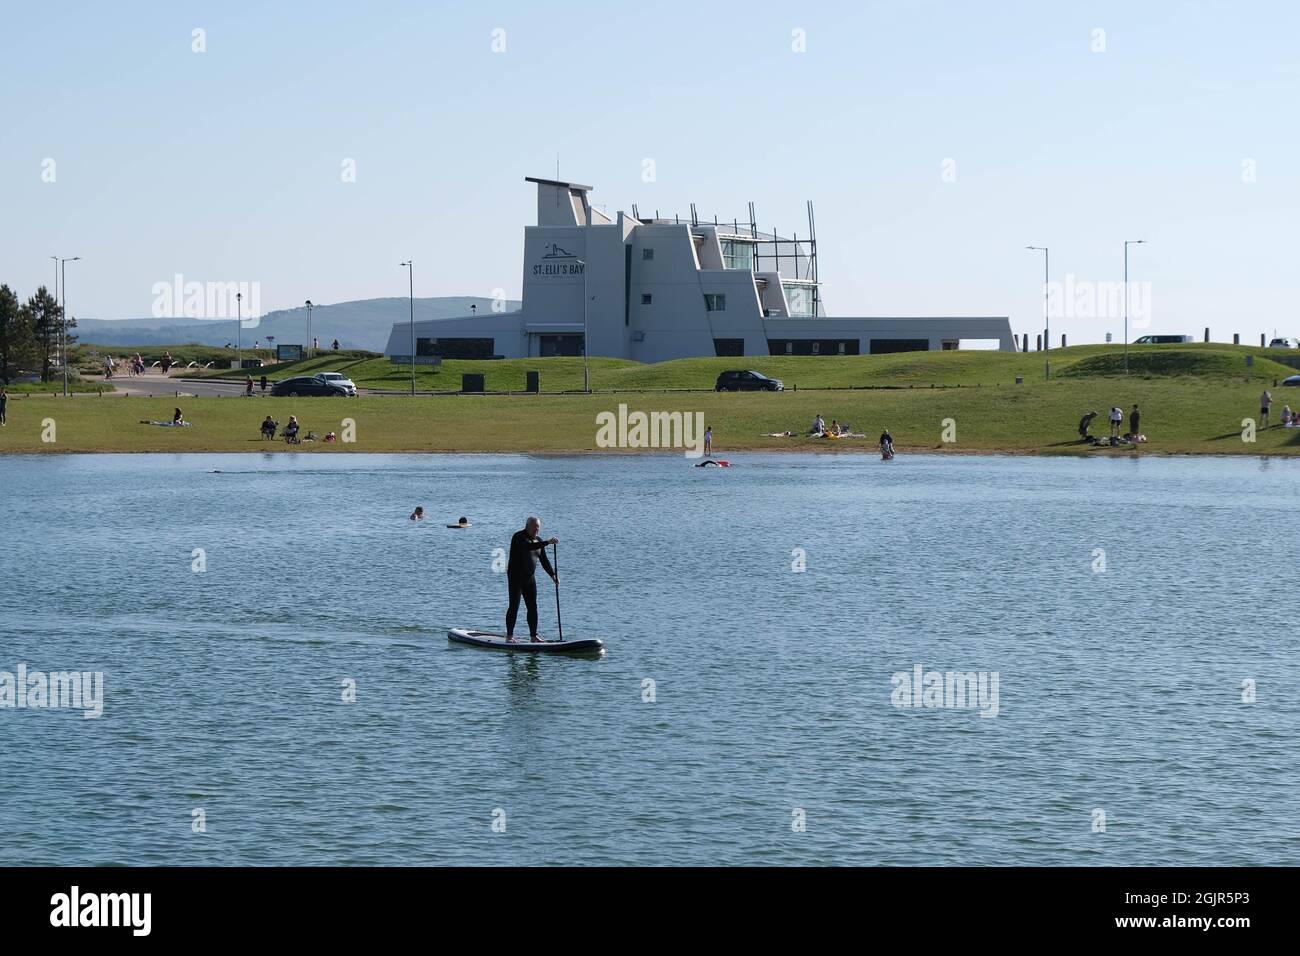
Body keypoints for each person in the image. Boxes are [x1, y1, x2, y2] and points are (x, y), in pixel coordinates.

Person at [506, 516, 558, 643]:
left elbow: (544, 560)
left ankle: (533, 636)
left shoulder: (538, 541)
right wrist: (548, 542)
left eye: (538, 527)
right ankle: (509, 637)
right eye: (534, 527)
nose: (536, 530)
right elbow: (528, 547)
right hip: (515, 578)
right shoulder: (518, 537)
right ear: (527, 526)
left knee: (532, 607)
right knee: (514, 606)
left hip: (529, 578)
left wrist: (553, 575)